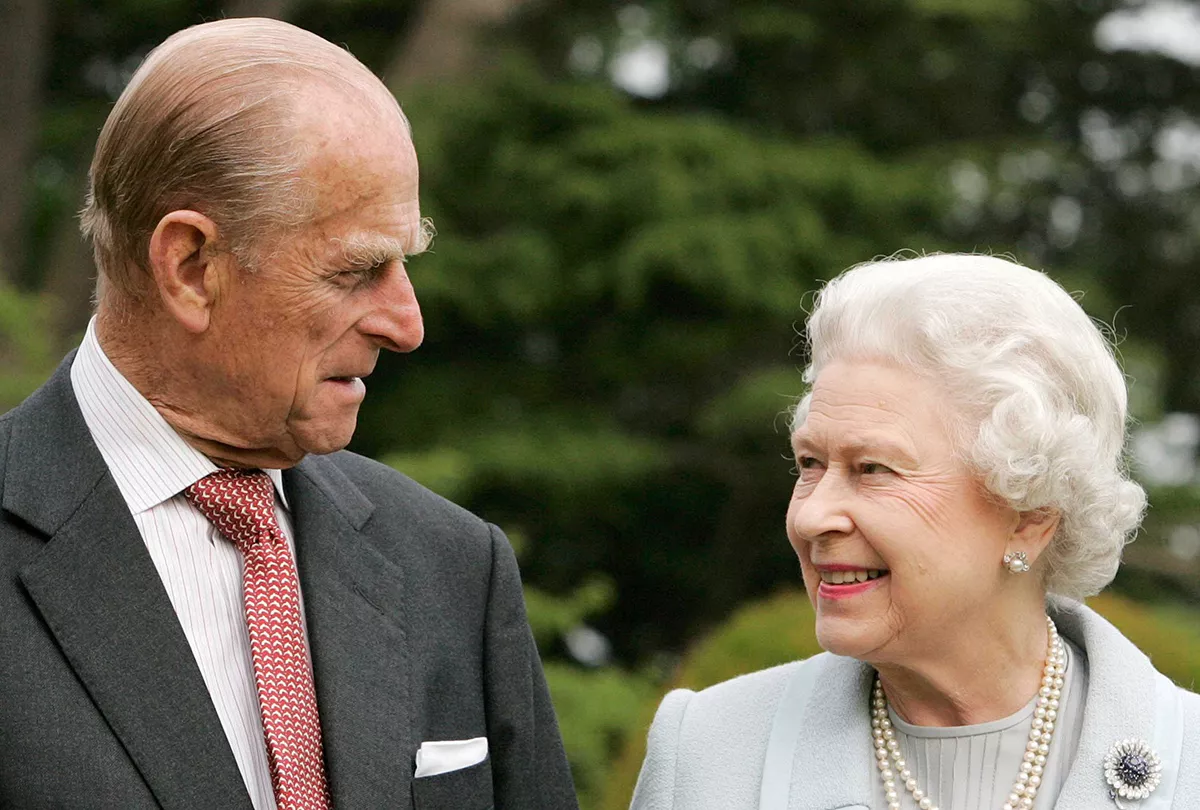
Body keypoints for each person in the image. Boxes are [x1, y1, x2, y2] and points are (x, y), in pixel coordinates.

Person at [0, 18, 577, 810]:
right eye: (357, 269)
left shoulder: (452, 565)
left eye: (405, 263)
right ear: (190, 266)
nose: (407, 324)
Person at [631, 254, 1200, 810]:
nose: (810, 517)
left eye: (873, 469)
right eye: (809, 464)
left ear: (1029, 515)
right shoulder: (705, 754)